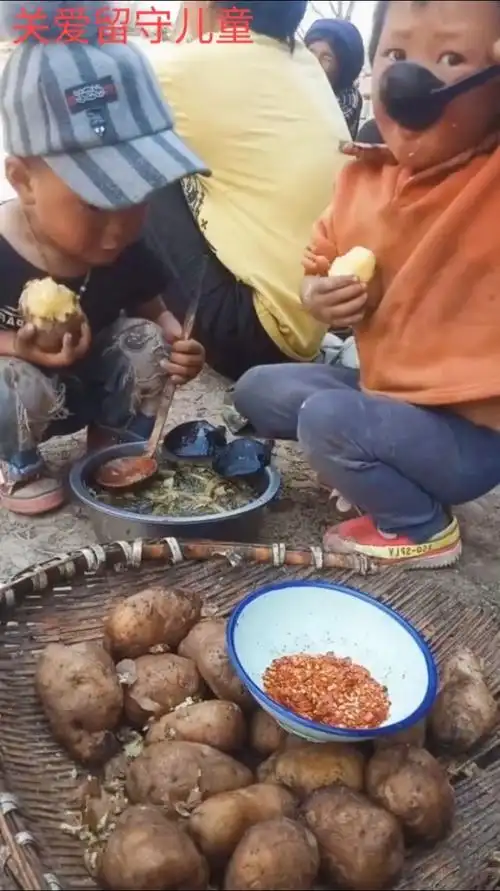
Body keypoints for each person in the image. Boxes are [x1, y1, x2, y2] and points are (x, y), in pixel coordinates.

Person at [231, 0, 500, 569]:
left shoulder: (488, 178)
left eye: (451, 57)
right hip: (387, 397)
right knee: (257, 388)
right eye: (396, 54)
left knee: (326, 422)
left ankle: (420, 526)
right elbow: (316, 265)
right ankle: (375, 465)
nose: (409, 78)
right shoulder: (364, 176)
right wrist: (317, 293)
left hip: (470, 436)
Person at [0, 0, 207, 516]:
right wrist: (18, 348)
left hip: (97, 382)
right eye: (94, 200)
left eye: (135, 195)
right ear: (24, 181)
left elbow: (153, 307)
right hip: (27, 395)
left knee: (148, 340)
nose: (118, 226)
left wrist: (177, 341)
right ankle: (17, 460)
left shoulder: (128, 247)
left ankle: (114, 440)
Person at [146, 0, 351, 381]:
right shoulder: (303, 63)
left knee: (132, 162)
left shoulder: (188, 66)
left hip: (247, 335)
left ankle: (120, 324)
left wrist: (184, 32)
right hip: (304, 334)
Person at [304, 18, 364, 139]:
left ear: (342, 67)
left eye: (327, 58)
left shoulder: (348, 99)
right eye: (311, 53)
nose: (315, 62)